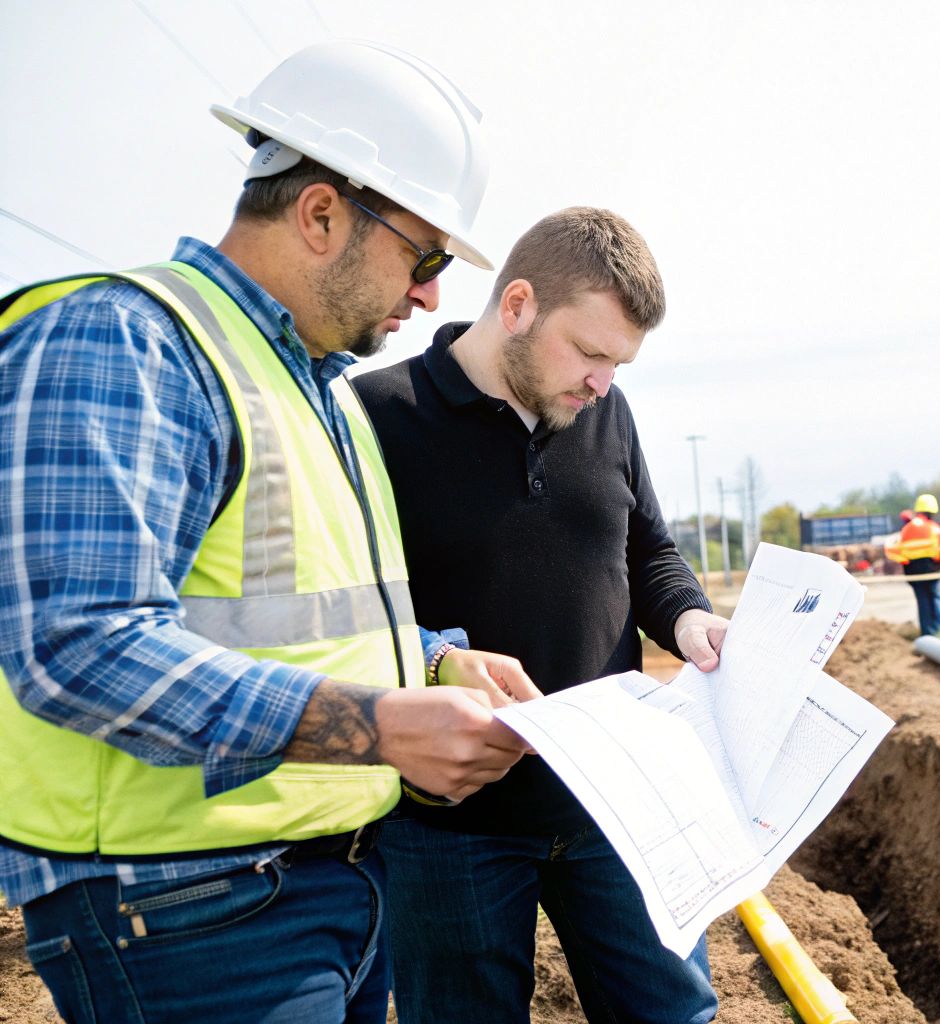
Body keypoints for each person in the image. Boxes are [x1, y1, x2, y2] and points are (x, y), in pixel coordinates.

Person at [0, 42, 541, 1024]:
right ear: (322, 211)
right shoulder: (126, 339)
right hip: (187, 915)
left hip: (325, 886)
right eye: (422, 257)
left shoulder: (309, 389)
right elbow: (74, 643)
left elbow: (281, 625)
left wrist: (427, 666)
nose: (429, 296)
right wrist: (379, 726)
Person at [353, 207, 730, 1024]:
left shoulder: (606, 412)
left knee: (674, 1014)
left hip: (618, 803)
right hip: (450, 826)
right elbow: (350, 612)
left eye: (620, 364)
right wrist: (431, 660)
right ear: (517, 305)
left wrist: (691, 621)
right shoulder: (373, 417)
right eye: (591, 353)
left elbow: (648, 552)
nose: (602, 383)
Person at [888, 493, 940, 635]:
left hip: (913, 572)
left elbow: (895, 551)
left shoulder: (907, 529)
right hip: (932, 570)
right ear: (931, 511)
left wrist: (907, 564)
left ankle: (927, 632)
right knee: (935, 597)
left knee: (922, 600)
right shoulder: (933, 528)